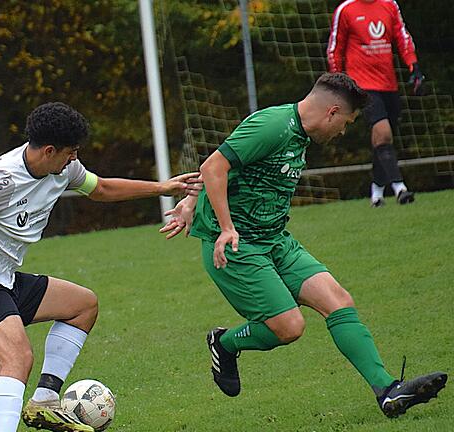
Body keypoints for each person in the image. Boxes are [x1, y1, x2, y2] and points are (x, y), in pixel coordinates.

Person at [0, 102, 202, 432]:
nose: (74, 159)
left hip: (2, 278)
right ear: (50, 150)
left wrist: (162, 188)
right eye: (71, 152)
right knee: (17, 358)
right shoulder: (0, 181)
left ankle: (45, 402)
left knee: (83, 306)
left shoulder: (62, 169)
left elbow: (102, 188)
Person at [160, 73, 446, 418]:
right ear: (332, 112)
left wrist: (190, 203)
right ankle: (225, 342)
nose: (342, 132)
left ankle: (387, 391)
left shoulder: (299, 133)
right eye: (345, 123)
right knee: (290, 328)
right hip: (237, 247)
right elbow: (214, 166)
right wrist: (225, 227)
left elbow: (231, 166)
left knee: (338, 301)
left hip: (276, 240)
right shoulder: (274, 124)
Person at [327, 0, 422, 207]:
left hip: (389, 84)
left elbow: (402, 36)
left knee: (382, 140)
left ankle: (376, 193)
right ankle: (400, 189)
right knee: (384, 133)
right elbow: (335, 48)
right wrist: (339, 82)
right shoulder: (346, 9)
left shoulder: (389, 5)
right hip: (362, 85)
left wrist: (413, 65)